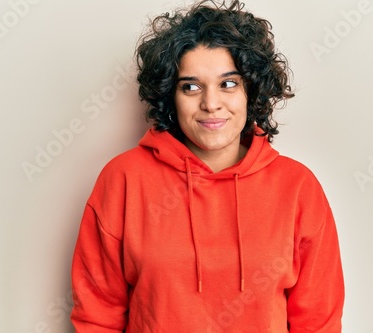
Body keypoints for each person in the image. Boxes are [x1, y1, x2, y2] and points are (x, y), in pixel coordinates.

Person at [70, 0, 344, 332]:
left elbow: (318, 321)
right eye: (191, 86)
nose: (210, 103)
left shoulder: (298, 187)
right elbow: (98, 316)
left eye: (228, 84)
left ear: (250, 92)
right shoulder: (123, 180)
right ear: (171, 95)